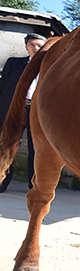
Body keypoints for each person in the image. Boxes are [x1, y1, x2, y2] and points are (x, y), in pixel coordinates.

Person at [0, 33, 47, 192]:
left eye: (40, 45)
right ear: (26, 46)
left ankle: (34, 186)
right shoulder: (14, 64)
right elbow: (5, 84)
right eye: (32, 45)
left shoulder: (49, 66)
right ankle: (1, 183)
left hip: (36, 112)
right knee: (7, 145)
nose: (36, 48)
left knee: (37, 149)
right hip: (15, 109)